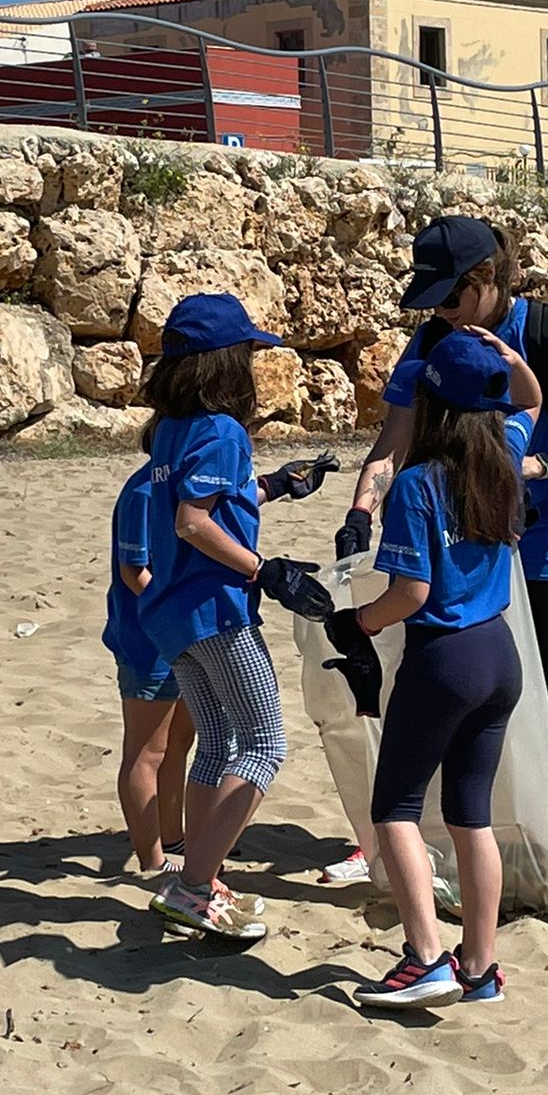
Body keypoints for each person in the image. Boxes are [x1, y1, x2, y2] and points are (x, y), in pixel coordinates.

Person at [337, 216, 548, 810]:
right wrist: (362, 508)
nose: (442, 313)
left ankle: (544, 821)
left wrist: (530, 470)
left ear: (486, 277)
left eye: (451, 297)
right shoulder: (433, 341)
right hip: (455, 548)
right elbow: (393, 443)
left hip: (541, 545)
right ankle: (456, 824)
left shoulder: (543, 334)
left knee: (545, 689)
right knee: (451, 688)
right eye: (431, 301)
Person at [326, 328, 541, 1010]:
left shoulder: (419, 484)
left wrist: (358, 623)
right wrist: (510, 360)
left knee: (395, 806)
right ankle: (480, 964)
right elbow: (533, 402)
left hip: (443, 657)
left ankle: (424, 957)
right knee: (471, 816)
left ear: (433, 404)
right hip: (499, 654)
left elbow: (410, 595)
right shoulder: (504, 456)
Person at [137, 294, 338, 942]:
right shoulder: (223, 430)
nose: (254, 364)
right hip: (217, 612)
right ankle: (192, 886)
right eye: (248, 353)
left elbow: (212, 500)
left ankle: (201, 870)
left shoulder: (171, 430)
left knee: (217, 744)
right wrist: (263, 570)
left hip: (169, 615)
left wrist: (276, 485)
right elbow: (192, 522)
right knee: (263, 745)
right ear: (225, 364)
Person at [105, 437, 197, 875]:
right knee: (146, 751)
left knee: (181, 740)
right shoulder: (145, 490)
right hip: (148, 639)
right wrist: (172, 616)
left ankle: (173, 835)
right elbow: (133, 569)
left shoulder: (185, 488)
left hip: (186, 635)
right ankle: (151, 859)